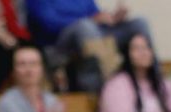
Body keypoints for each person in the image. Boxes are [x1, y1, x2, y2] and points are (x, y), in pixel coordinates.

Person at [26, 0, 154, 93]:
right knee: (85, 26)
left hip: (90, 33)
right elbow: (47, 22)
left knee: (140, 23)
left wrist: (112, 18)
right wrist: (91, 20)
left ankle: (155, 82)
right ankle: (105, 89)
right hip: (56, 45)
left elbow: (96, 17)